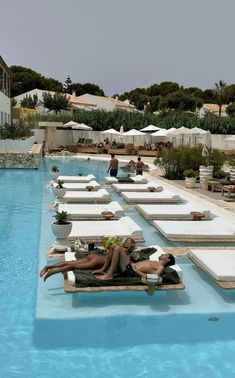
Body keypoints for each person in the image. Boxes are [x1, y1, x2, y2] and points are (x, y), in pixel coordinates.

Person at [95, 241, 175, 281]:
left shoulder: (160, 267)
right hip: (130, 265)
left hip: (131, 271)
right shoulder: (154, 261)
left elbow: (153, 277)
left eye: (165, 254)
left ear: (168, 260)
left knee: (118, 248)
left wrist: (137, 271)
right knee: (114, 246)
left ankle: (109, 275)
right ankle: (103, 269)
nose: (163, 254)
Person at [40, 254, 107, 281]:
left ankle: (48, 267)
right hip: (98, 262)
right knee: (73, 266)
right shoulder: (116, 256)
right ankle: (53, 272)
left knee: (70, 262)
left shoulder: (113, 250)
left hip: (95, 256)